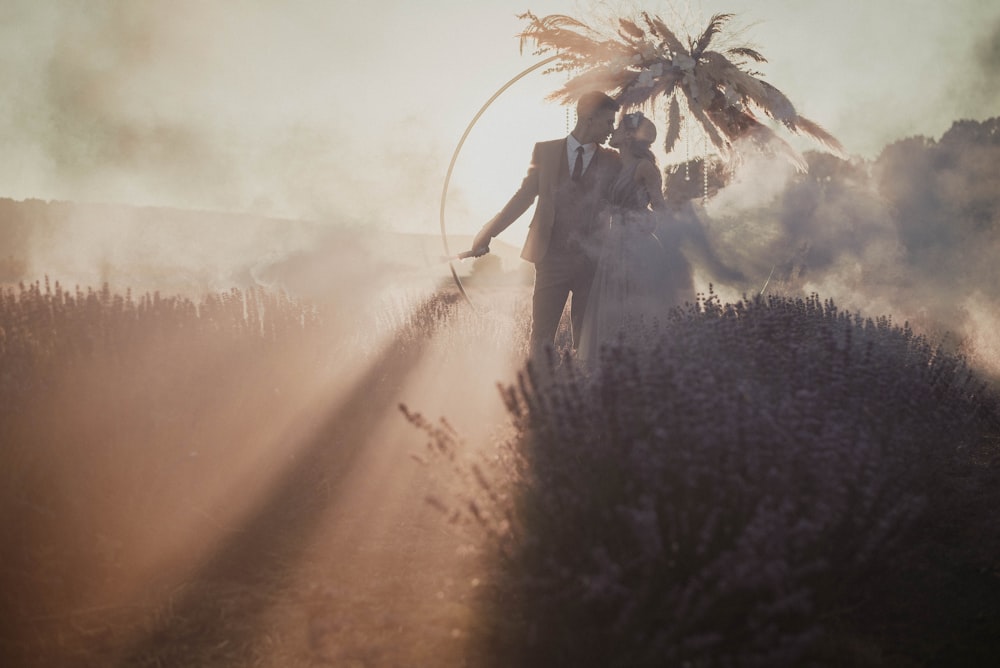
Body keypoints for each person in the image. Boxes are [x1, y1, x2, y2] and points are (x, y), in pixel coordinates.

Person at [468, 91, 621, 357]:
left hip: (594, 264)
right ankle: (539, 392)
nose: (612, 129)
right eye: (608, 122)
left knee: (589, 343)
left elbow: (625, 204)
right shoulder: (546, 151)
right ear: (588, 117)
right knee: (541, 339)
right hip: (551, 258)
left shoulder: (612, 160)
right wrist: (488, 232)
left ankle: (586, 392)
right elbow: (523, 198)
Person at [577, 111, 694, 367]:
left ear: (629, 136)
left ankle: (640, 364)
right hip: (614, 243)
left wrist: (675, 237)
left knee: (636, 303)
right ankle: (612, 366)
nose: (613, 132)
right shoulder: (619, 165)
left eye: (618, 128)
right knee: (612, 304)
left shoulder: (644, 167)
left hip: (637, 244)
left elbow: (659, 206)